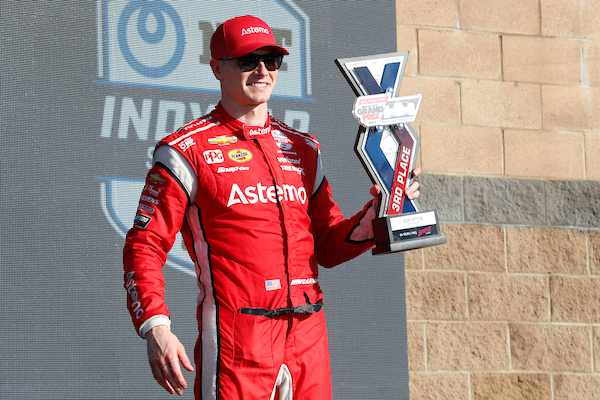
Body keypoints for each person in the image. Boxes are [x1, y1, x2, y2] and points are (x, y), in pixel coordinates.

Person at [123, 15, 421, 399]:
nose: (262, 70)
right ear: (217, 68)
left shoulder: (303, 148)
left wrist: (376, 216)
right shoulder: (185, 150)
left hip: (308, 332)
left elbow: (327, 245)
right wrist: (155, 327)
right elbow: (144, 245)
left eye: (272, 60)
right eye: (248, 60)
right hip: (239, 338)